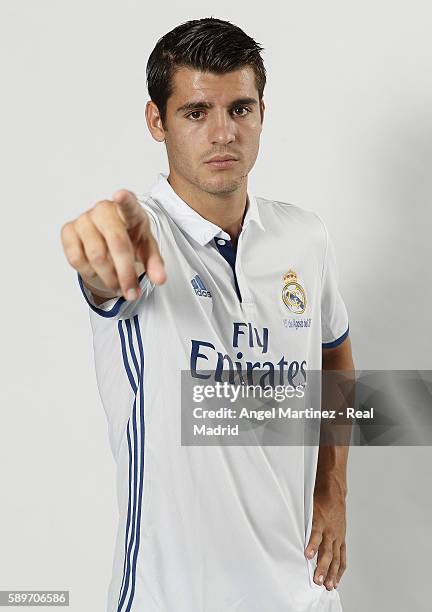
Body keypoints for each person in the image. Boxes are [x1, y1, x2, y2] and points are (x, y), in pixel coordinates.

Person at [60, 17, 353, 612]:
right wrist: (103, 252)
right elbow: (107, 276)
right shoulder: (143, 237)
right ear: (156, 121)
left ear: (262, 113)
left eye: (240, 109)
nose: (223, 133)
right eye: (196, 113)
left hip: (301, 593)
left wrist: (332, 488)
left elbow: (334, 353)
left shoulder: (304, 235)